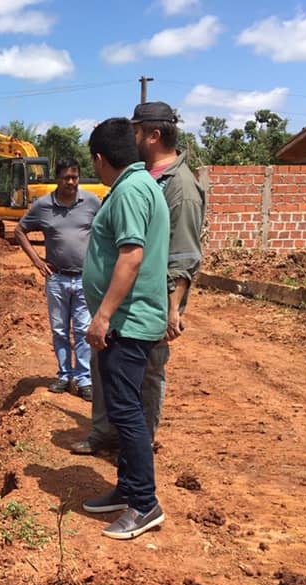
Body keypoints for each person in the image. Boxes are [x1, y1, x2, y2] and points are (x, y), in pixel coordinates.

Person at [72, 101, 205, 455]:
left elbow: (184, 256)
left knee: (144, 380)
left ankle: (136, 453)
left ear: (154, 134)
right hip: (120, 305)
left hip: (147, 306)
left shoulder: (180, 188)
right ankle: (107, 434)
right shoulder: (140, 179)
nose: (131, 138)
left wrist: (172, 308)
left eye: (136, 131)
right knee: (108, 372)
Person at [81, 117, 169, 540]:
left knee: (127, 414)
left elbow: (131, 256)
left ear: (100, 159)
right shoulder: (140, 185)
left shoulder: (130, 191)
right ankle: (126, 488)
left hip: (128, 323)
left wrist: (103, 316)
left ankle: (144, 504)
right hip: (131, 320)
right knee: (123, 408)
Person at [14, 158, 102, 400]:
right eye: (66, 178)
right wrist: (37, 261)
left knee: (83, 330)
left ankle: (83, 379)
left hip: (85, 277)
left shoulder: (92, 202)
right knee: (60, 329)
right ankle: (64, 375)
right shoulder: (43, 206)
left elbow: (106, 229)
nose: (71, 182)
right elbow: (20, 231)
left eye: (74, 177)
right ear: (57, 179)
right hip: (56, 279)